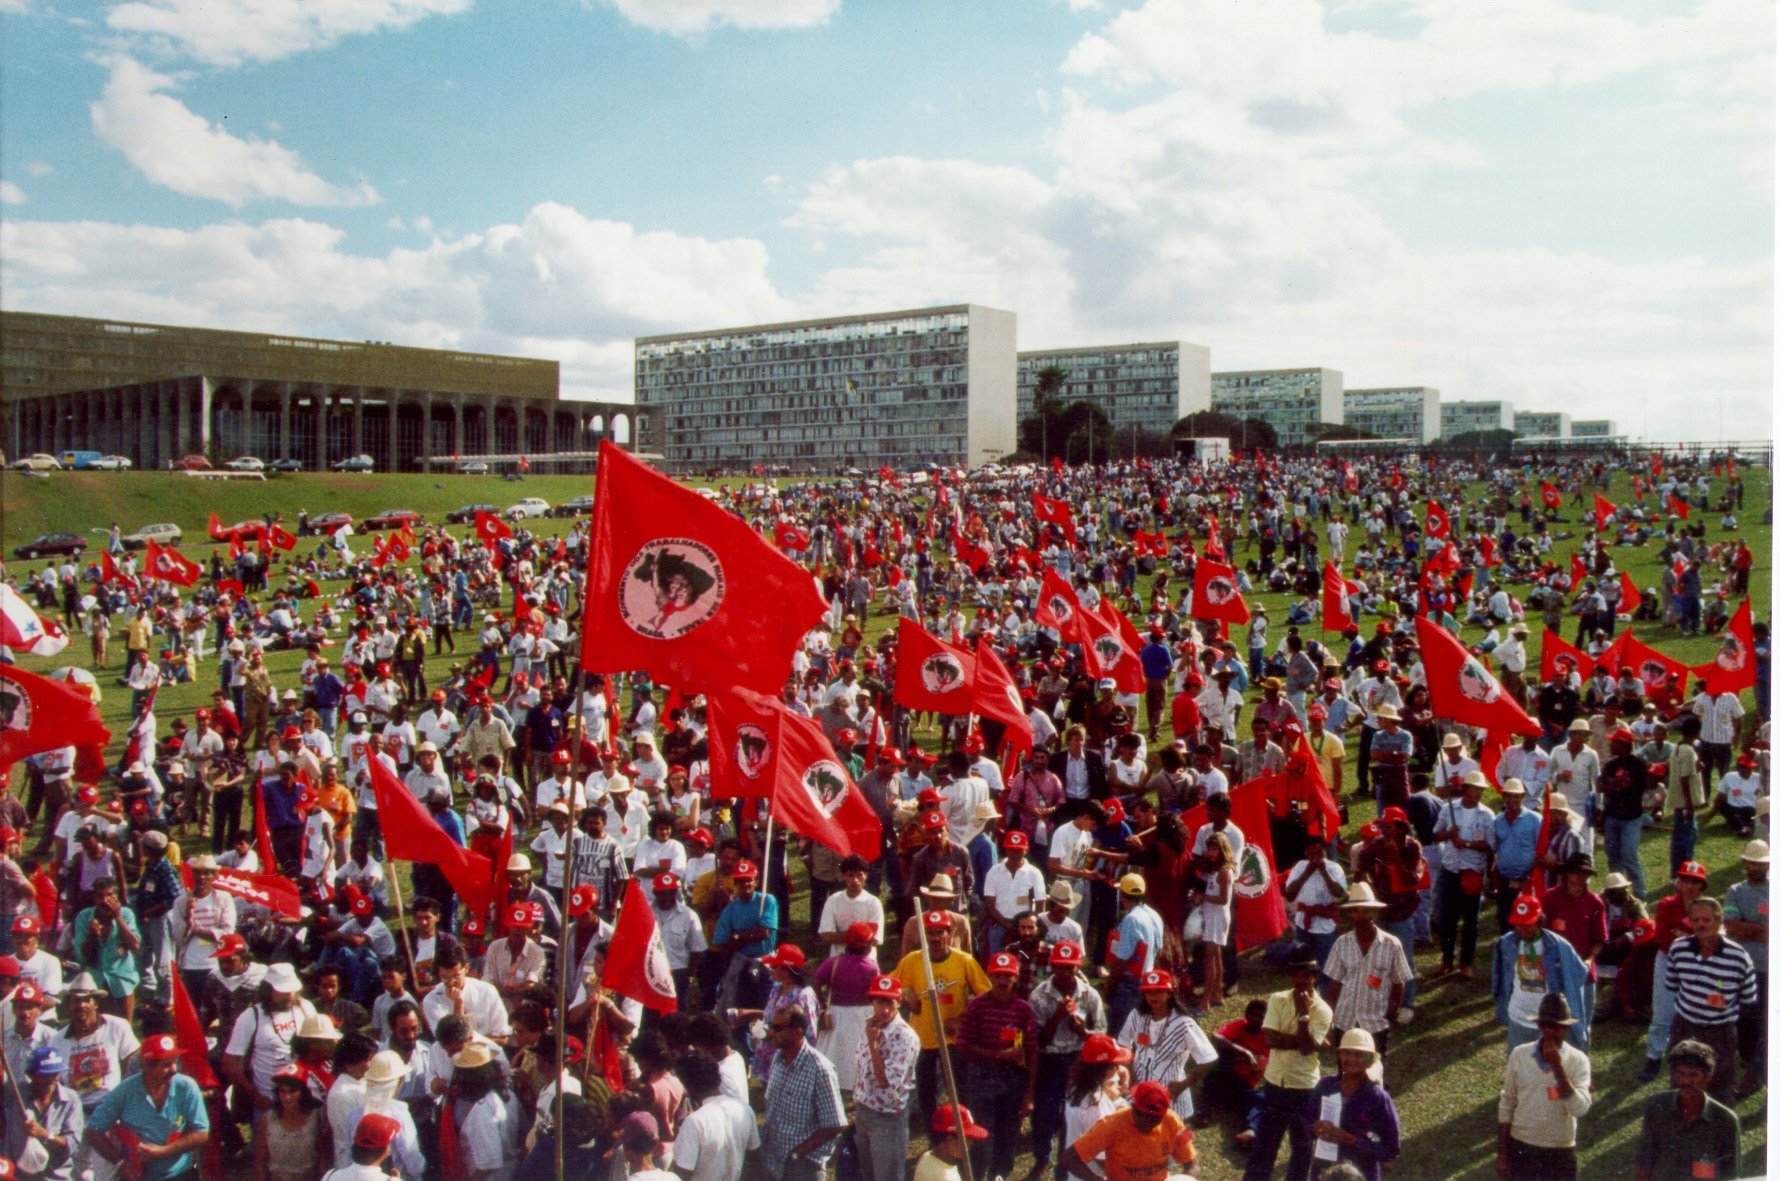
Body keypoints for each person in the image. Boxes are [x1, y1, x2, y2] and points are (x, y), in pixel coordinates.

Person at [894, 907, 991, 1124]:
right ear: (923, 936)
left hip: (955, 1039)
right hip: (923, 1038)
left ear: (950, 933)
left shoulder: (964, 961)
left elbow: (986, 996)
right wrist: (906, 999)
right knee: (926, 1093)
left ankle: (964, 1129)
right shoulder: (912, 960)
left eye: (941, 932)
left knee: (960, 1090)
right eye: (931, 933)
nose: (936, 938)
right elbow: (890, 986)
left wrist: (960, 1019)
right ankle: (934, 1133)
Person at [1242, 949, 1331, 1181]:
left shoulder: (1322, 1010)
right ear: (1290, 976)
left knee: (1302, 1147)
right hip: (1274, 1083)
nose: (1303, 981)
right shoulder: (1277, 999)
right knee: (1265, 1145)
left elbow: (1306, 1048)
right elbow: (1270, 1039)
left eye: (1308, 976)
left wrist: (1303, 1015)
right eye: (1298, 975)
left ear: (1315, 977)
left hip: (1304, 1087)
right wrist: (1306, 1039)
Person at [1662, 895, 1759, 1106]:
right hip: (1685, 1027)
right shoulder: (1679, 949)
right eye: (1695, 920)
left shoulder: (1738, 957)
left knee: (1720, 1085)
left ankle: (1720, 1132)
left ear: (1719, 921)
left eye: (1707, 920)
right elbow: (1672, 984)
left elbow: (1748, 1000)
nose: (1701, 925)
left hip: (1720, 1031)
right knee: (1681, 1081)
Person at [86, 1032, 211, 1181]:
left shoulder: (186, 1086)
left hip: (181, 1173)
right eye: (166, 1065)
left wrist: (163, 1151)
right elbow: (93, 1130)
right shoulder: (125, 1091)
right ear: (146, 1066)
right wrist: (121, 1162)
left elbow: (201, 1132)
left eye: (175, 1062)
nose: (174, 1070)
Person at [1496, 994, 1594, 1181]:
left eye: (1558, 1027)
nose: (1552, 1032)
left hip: (1560, 1150)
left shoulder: (1578, 1060)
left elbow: (1580, 1109)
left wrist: (1558, 1068)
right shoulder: (1519, 1055)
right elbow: (1507, 1103)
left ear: (1566, 1028)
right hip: (1522, 1145)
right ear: (1540, 1026)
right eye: (1547, 1026)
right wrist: (1502, 1153)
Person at [1491, 893, 1593, 1052]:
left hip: (1551, 1023)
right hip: (1519, 1019)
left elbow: (1578, 975)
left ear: (1539, 922)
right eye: (1517, 924)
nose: (1521, 928)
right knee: (1520, 1068)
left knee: (1553, 1070)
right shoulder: (1506, 943)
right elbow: (1500, 977)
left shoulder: (1559, 946)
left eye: (1526, 924)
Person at [757, 1003, 846, 1181]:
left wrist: (798, 1153)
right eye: (772, 1027)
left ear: (797, 1032)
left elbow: (835, 1123)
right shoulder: (778, 1058)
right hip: (773, 1158)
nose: (772, 1032)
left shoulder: (820, 1069)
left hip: (802, 1166)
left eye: (778, 1028)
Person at [1321, 884, 1411, 1057]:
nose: (1362, 916)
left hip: (1375, 1022)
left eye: (1367, 911)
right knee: (1345, 1071)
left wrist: (1390, 1014)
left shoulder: (1392, 944)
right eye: (1356, 911)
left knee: (1375, 1070)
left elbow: (1399, 983)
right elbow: (1335, 983)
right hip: (1345, 1020)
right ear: (1350, 914)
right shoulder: (1341, 943)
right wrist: (1332, 1016)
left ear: (1375, 913)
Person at [1117, 968, 1216, 1124]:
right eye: (1149, 992)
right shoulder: (1137, 1016)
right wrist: (1129, 1069)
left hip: (1170, 1093)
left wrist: (1184, 1084)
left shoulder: (1183, 1023)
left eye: (1159, 992)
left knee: (1169, 1142)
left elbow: (1208, 1058)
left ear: (1169, 993)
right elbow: (1123, 1043)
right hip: (1138, 1090)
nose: (1153, 997)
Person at [1633, 1039, 1741, 1181]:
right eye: (1680, 1073)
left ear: (1707, 1078)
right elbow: (1645, 1163)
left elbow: (1729, 1174)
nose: (1685, 1081)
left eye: (1693, 1075)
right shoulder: (1656, 1106)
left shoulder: (1725, 1119)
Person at [846, 974, 919, 1181]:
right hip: (864, 1111)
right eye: (879, 1001)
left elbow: (885, 1082)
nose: (884, 1009)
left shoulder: (906, 1037)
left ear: (898, 1002)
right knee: (867, 1175)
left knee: (887, 1177)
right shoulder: (870, 1025)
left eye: (889, 1002)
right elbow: (860, 1066)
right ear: (871, 1002)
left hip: (888, 1118)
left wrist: (874, 1045)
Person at [1308, 1029, 1400, 1181]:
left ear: (1370, 1060)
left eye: (1359, 1055)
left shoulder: (1377, 1097)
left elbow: (1390, 1150)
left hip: (1362, 1173)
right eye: (1346, 1053)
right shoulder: (1326, 1086)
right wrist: (1316, 1127)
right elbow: (1308, 1121)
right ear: (1339, 1055)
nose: (1351, 1059)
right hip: (1325, 1171)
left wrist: (1351, 1140)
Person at [1063, 1078, 1197, 1181]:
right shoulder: (1111, 1124)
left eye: (1154, 1118)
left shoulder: (1174, 1121)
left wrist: (1189, 1176)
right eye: (1141, 1114)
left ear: (1165, 1112)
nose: (1146, 1122)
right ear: (1133, 1106)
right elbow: (1069, 1157)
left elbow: (1192, 1165)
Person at [1720, 839, 1768, 1096]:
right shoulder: (1736, 891)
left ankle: (1758, 1071)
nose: (1755, 867)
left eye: (1760, 863)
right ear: (1744, 863)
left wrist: (1748, 926)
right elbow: (1731, 925)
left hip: (1770, 969)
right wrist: (1762, 929)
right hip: (1745, 967)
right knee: (1746, 1018)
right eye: (1751, 862)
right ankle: (1749, 1059)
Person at [916, 1103, 990, 1181]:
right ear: (948, 1141)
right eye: (966, 1139)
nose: (970, 1143)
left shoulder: (926, 1157)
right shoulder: (947, 1178)